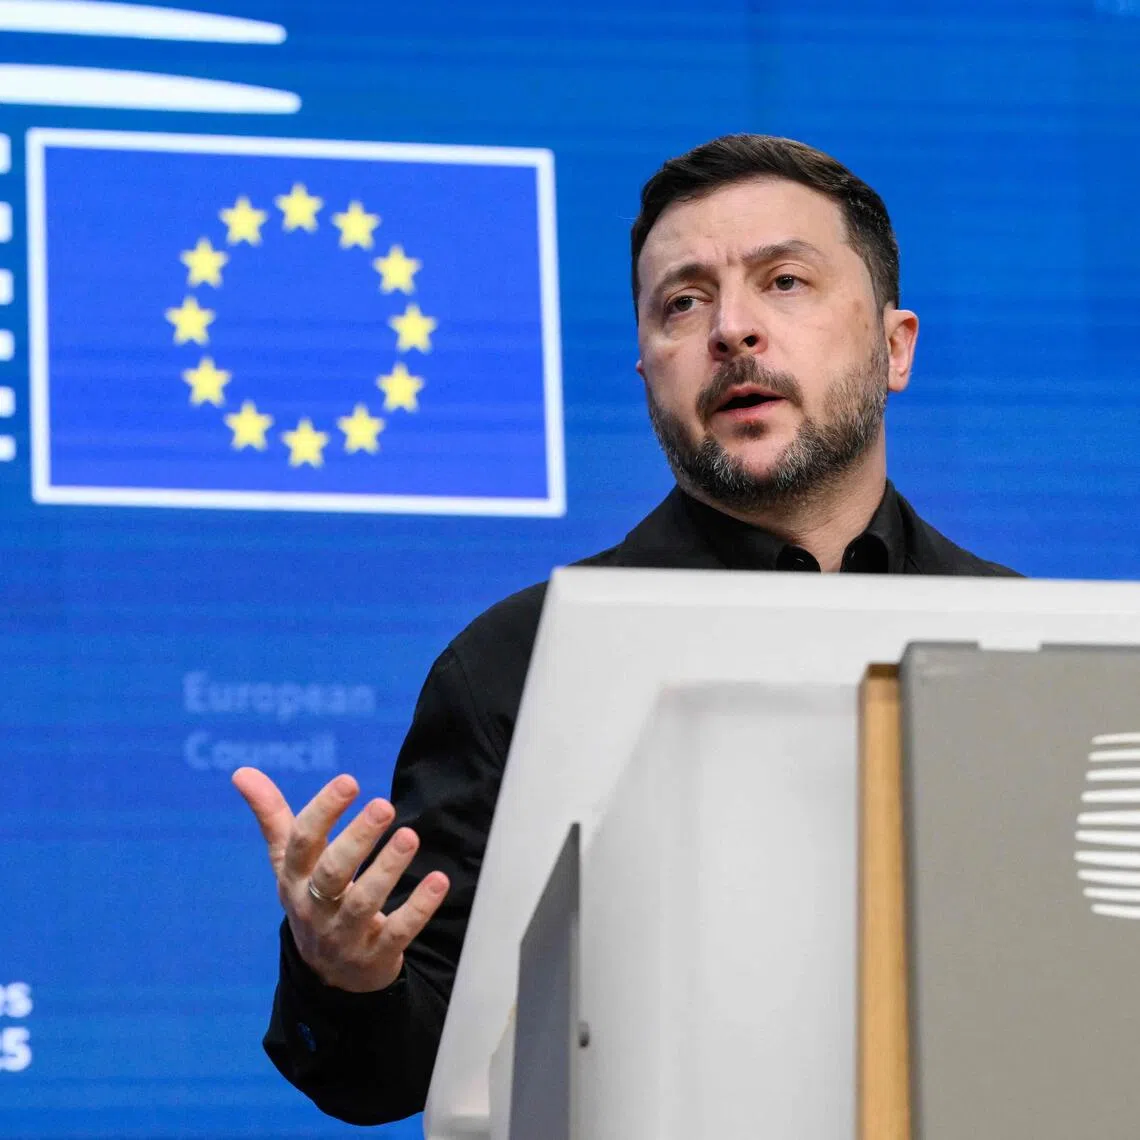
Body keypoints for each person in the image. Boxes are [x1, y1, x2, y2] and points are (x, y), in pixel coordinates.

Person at [233, 133, 1018, 1125]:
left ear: (894, 346)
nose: (732, 330)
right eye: (683, 303)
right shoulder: (517, 663)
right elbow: (403, 1067)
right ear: (648, 370)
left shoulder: (1033, 653)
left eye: (784, 282)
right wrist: (344, 971)